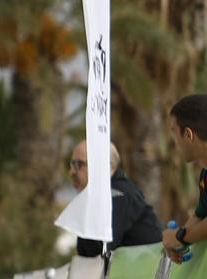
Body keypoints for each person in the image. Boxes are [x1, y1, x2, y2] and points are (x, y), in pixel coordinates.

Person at [70, 140, 162, 259]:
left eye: (78, 165)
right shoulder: (114, 192)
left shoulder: (117, 193)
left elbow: (99, 250)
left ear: (102, 164)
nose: (72, 172)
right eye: (72, 165)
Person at [164, 96, 207, 265]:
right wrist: (177, 243)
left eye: (174, 132)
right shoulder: (205, 175)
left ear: (188, 134)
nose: (173, 142)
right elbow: (199, 215)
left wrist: (180, 237)